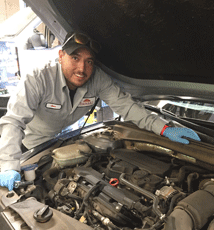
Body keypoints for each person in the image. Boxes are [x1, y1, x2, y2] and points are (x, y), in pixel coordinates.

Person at [0, 32, 201, 191]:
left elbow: (127, 106)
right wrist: (9, 164)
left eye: (89, 61)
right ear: (61, 56)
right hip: (29, 148)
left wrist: (164, 128)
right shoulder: (38, 79)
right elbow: (13, 121)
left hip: (60, 143)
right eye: (75, 58)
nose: (82, 68)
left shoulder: (97, 79)